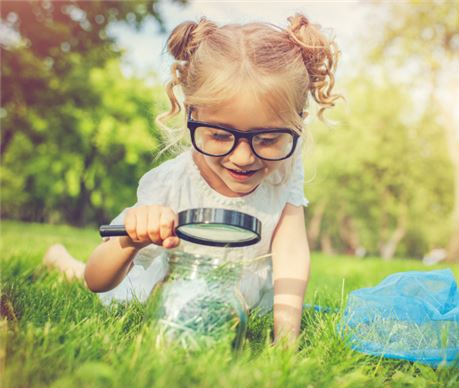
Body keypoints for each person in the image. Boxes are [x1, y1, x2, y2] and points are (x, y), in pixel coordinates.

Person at [43, 14, 341, 343]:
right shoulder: (170, 183)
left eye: (268, 139)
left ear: (298, 124)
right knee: (94, 281)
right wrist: (132, 238)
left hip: (237, 302)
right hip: (162, 292)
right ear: (191, 115)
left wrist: (286, 342)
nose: (243, 157)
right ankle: (61, 261)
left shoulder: (283, 170)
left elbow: (292, 254)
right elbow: (97, 280)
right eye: (218, 135)